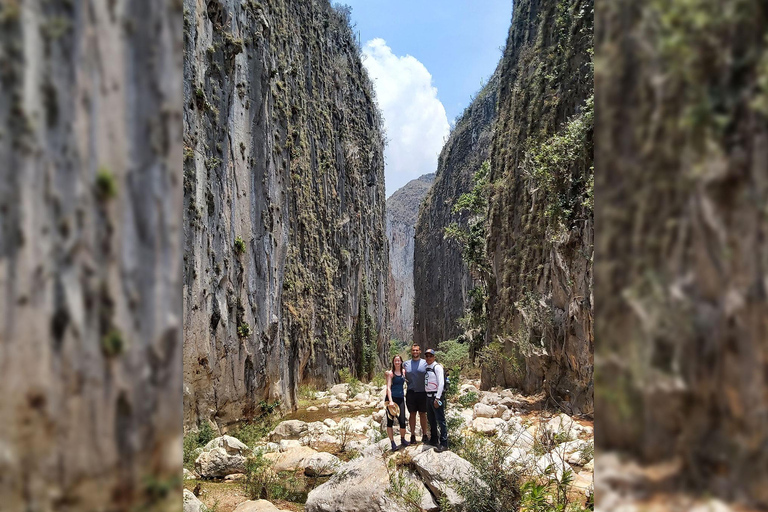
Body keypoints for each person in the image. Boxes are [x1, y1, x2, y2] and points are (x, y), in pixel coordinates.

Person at [403, 344, 429, 444]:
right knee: (412, 414)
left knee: (423, 414)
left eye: (417, 350)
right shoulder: (406, 364)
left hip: (423, 392)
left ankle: (425, 434)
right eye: (413, 350)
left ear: (420, 351)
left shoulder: (425, 363)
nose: (415, 352)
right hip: (411, 392)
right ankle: (413, 435)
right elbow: (398, 371)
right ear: (411, 352)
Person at [424, 348, 448, 452]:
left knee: (440, 420)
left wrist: (437, 398)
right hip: (428, 396)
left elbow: (441, 383)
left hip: (436, 397)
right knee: (431, 419)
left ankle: (444, 443)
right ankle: (434, 439)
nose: (428, 357)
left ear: (434, 357)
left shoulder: (437, 367)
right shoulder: (427, 367)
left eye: (430, 356)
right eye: (427, 356)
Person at [385, 355, 409, 451]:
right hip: (391, 400)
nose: (397, 362)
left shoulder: (403, 372)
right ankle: (392, 442)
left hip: (400, 399)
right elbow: (388, 387)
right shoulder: (391, 374)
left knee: (402, 421)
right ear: (393, 362)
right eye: (396, 361)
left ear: (401, 362)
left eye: (399, 361)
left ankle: (403, 439)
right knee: (390, 422)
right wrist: (390, 401)